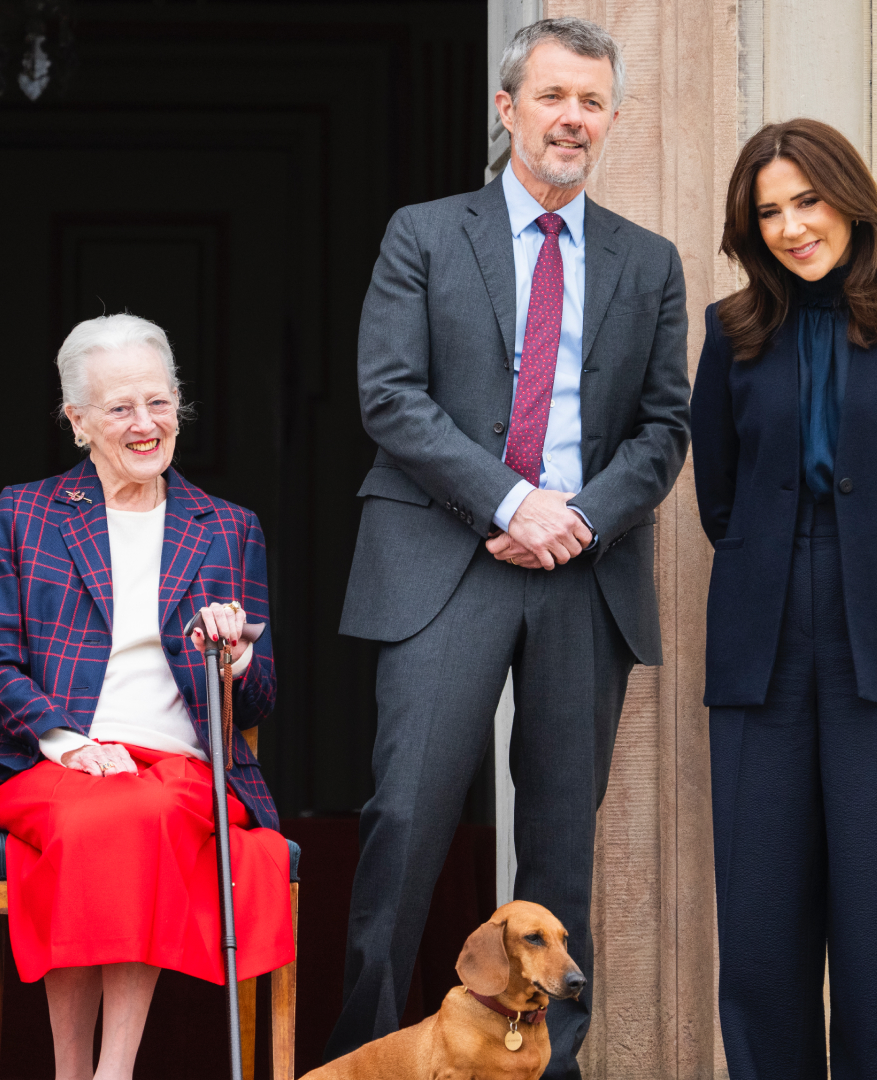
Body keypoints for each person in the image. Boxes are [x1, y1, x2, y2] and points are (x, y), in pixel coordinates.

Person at [328, 17, 690, 1078]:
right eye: (551, 96)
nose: (571, 118)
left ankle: (550, 1067)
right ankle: (364, 1058)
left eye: (591, 102)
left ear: (611, 118)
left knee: (563, 847)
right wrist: (512, 501)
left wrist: (576, 517)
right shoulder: (425, 235)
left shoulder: (649, 262)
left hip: (586, 570)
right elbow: (390, 394)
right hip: (446, 558)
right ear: (507, 107)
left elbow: (665, 426)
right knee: (406, 820)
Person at [691, 117, 877, 1080]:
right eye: (769, 210)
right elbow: (721, 495)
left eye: (807, 200)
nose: (791, 227)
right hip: (761, 634)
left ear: (850, 199)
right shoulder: (731, 332)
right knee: (762, 915)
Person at [0, 313, 293, 1080]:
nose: (146, 425)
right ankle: (76, 1071)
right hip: (50, 759)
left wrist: (233, 660)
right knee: (94, 815)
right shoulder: (25, 513)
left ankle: (112, 1071)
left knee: (139, 812)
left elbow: (260, 699)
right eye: (120, 408)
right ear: (77, 422)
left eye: (159, 402)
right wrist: (72, 744)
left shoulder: (229, 528)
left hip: (184, 769)